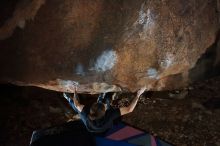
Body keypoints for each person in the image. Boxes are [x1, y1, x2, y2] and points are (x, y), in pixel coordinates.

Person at [63, 87, 146, 133]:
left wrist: (74, 91)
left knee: (75, 107)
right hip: (102, 128)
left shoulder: (86, 113)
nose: (105, 106)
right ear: (105, 112)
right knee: (106, 100)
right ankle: (103, 96)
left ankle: (67, 97)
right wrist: (138, 95)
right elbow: (129, 109)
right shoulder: (110, 116)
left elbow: (77, 104)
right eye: (105, 106)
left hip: (91, 127)